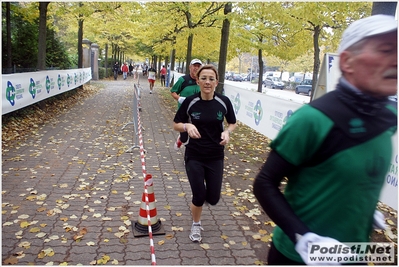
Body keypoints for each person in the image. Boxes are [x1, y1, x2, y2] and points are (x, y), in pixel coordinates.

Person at [253, 14, 397, 265]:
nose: (395, 60)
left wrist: (360, 205)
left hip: (353, 256)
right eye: (386, 50)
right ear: (348, 62)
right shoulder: (312, 119)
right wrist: (304, 237)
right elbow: (264, 183)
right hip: (299, 257)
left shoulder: (389, 116)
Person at [173, 64, 237, 242]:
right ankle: (196, 224)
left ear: (216, 82)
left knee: (214, 198)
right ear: (197, 80)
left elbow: (232, 122)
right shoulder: (189, 101)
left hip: (216, 155)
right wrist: (187, 125)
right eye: (204, 78)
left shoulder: (224, 101)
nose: (207, 82)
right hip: (194, 154)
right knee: (199, 195)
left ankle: (203, 201)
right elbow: (176, 124)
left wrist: (227, 132)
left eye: (211, 79)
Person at [170, 59, 203, 150]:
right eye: (194, 66)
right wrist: (179, 98)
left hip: (198, 112)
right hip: (184, 112)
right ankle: (181, 139)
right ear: (190, 67)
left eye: (198, 66)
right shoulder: (183, 80)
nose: (196, 68)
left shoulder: (202, 80)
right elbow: (173, 92)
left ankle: (190, 158)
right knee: (184, 138)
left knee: (196, 136)